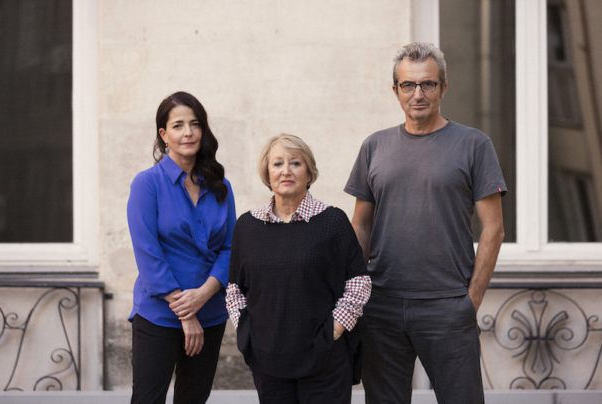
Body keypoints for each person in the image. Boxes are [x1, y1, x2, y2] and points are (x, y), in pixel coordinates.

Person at [345, 42, 507, 403]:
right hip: (382, 303)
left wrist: (472, 298)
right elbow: (360, 227)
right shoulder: (374, 146)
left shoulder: (474, 145)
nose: (418, 94)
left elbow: (493, 228)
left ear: (443, 88)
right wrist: (355, 296)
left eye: (428, 84)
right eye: (408, 85)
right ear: (396, 90)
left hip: (448, 305)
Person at [226, 134, 372, 404]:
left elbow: (359, 283)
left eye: (295, 163)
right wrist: (246, 332)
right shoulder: (247, 226)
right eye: (277, 164)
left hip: (325, 361)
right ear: (267, 174)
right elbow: (235, 288)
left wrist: (334, 331)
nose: (285, 171)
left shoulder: (332, 222)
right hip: (268, 363)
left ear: (309, 173)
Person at [127, 91, 236, 404]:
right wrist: (186, 314)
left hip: (211, 313)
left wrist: (202, 296)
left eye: (195, 124)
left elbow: (230, 247)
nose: (188, 132)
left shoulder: (220, 185)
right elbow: (148, 255)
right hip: (159, 314)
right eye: (178, 125)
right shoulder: (147, 184)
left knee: (193, 399)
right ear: (164, 134)